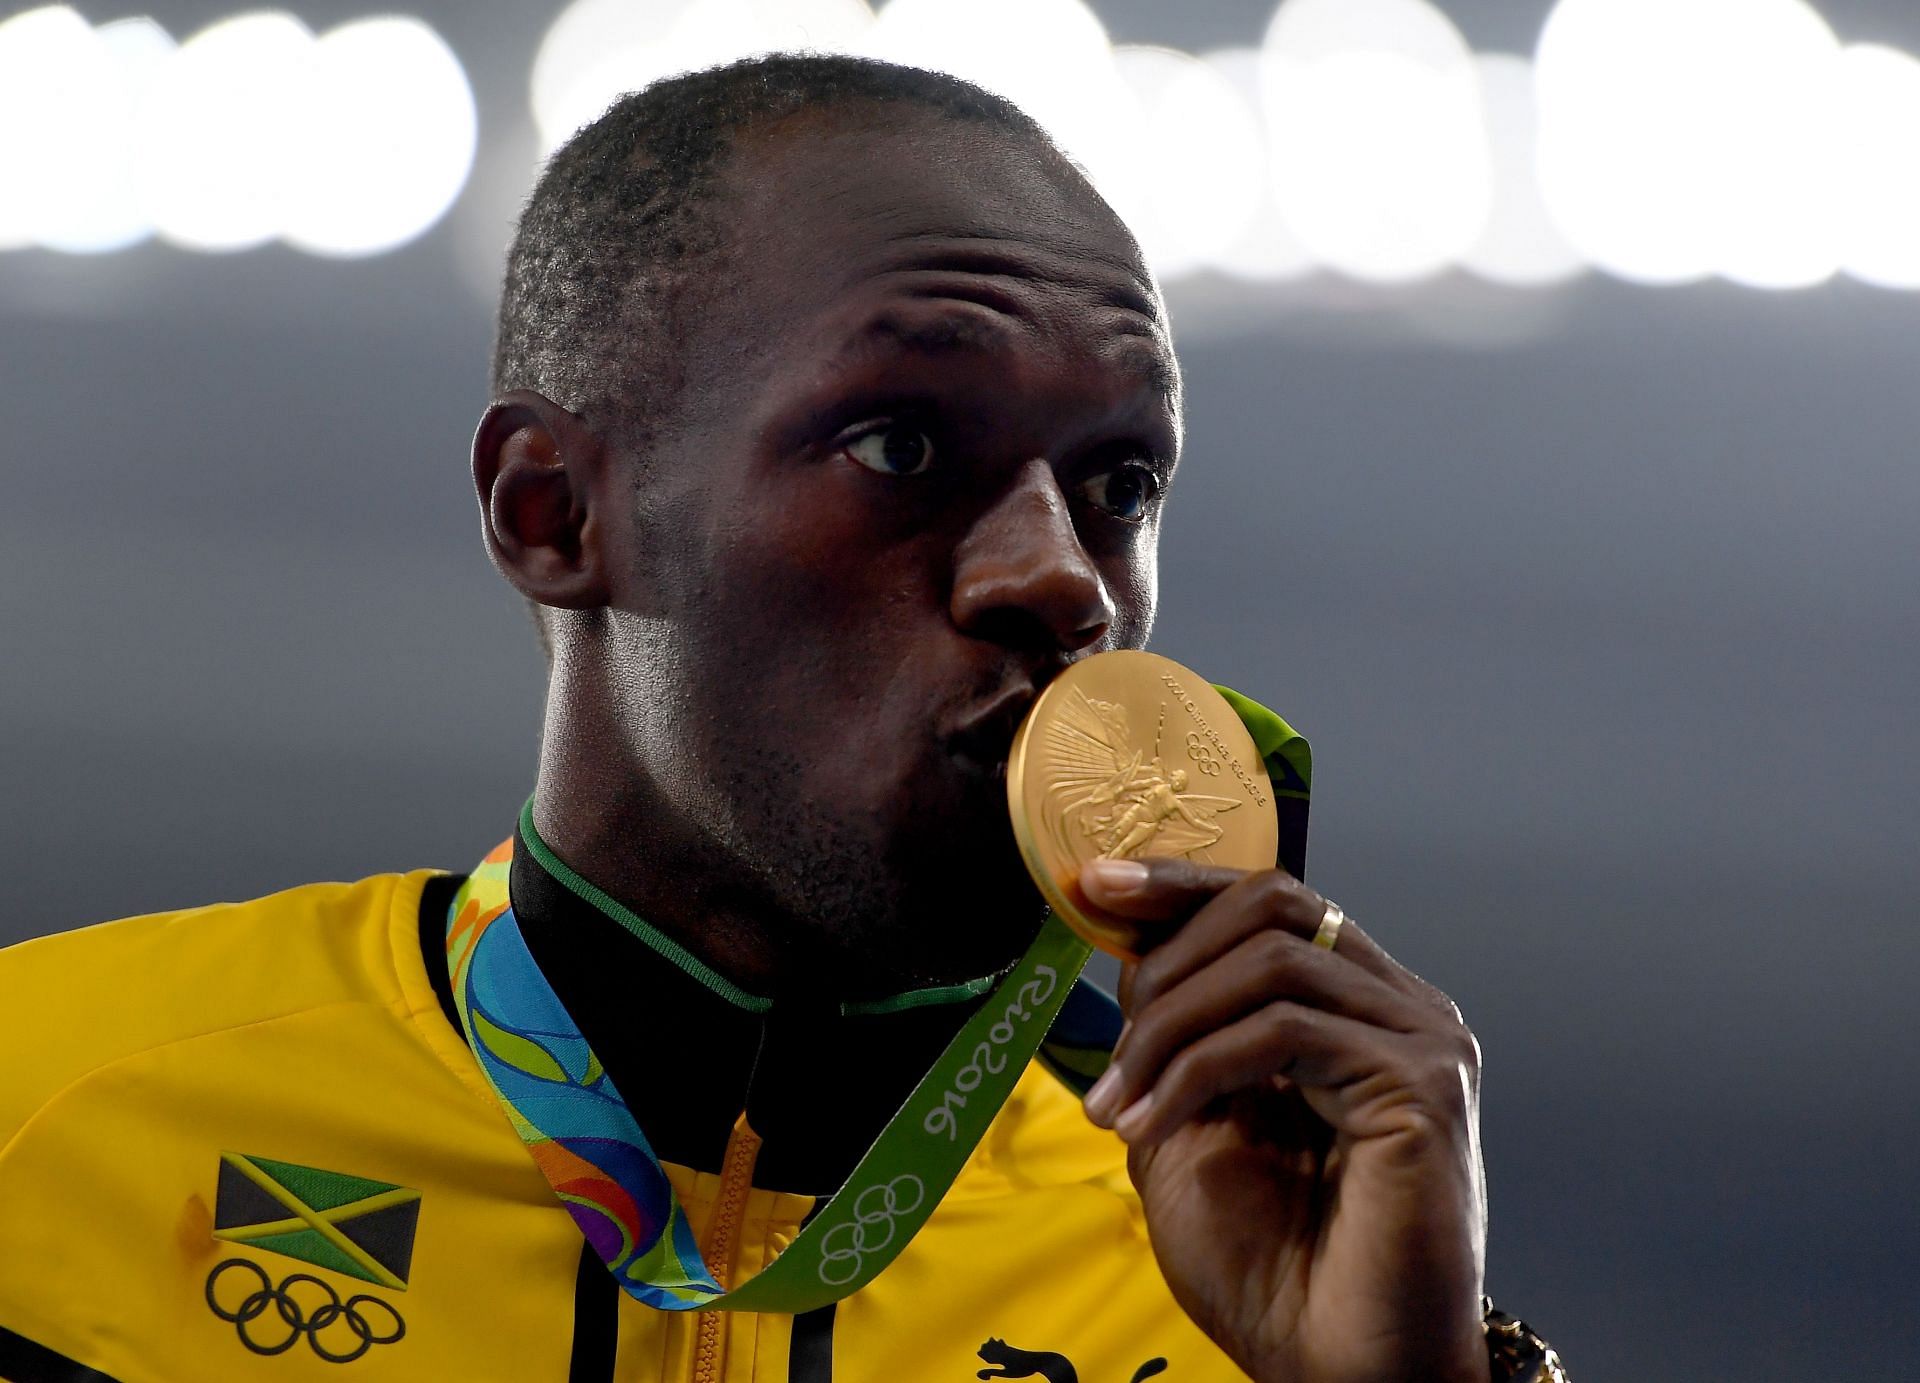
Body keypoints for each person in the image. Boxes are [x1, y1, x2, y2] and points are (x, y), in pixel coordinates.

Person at [0, 55, 1565, 1383]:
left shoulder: (1252, 1254)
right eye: (897, 445)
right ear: (553, 510)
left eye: (1119, 485)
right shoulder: (47, 1109)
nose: (1063, 580)